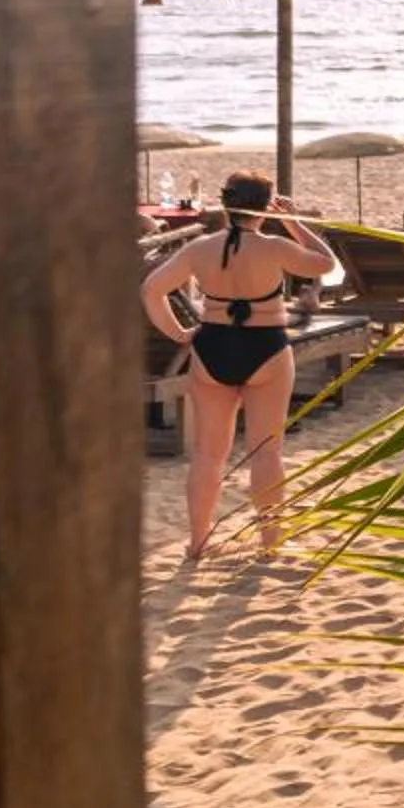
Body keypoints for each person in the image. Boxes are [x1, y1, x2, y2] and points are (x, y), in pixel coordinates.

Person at [140, 172, 337, 563]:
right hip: (265, 348)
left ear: (227, 205)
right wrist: (294, 223)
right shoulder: (276, 246)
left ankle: (198, 542)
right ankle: (270, 542)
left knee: (208, 455)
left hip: (213, 346)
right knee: (267, 451)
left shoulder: (201, 248)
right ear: (266, 208)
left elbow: (151, 289)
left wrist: (179, 333)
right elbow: (325, 264)